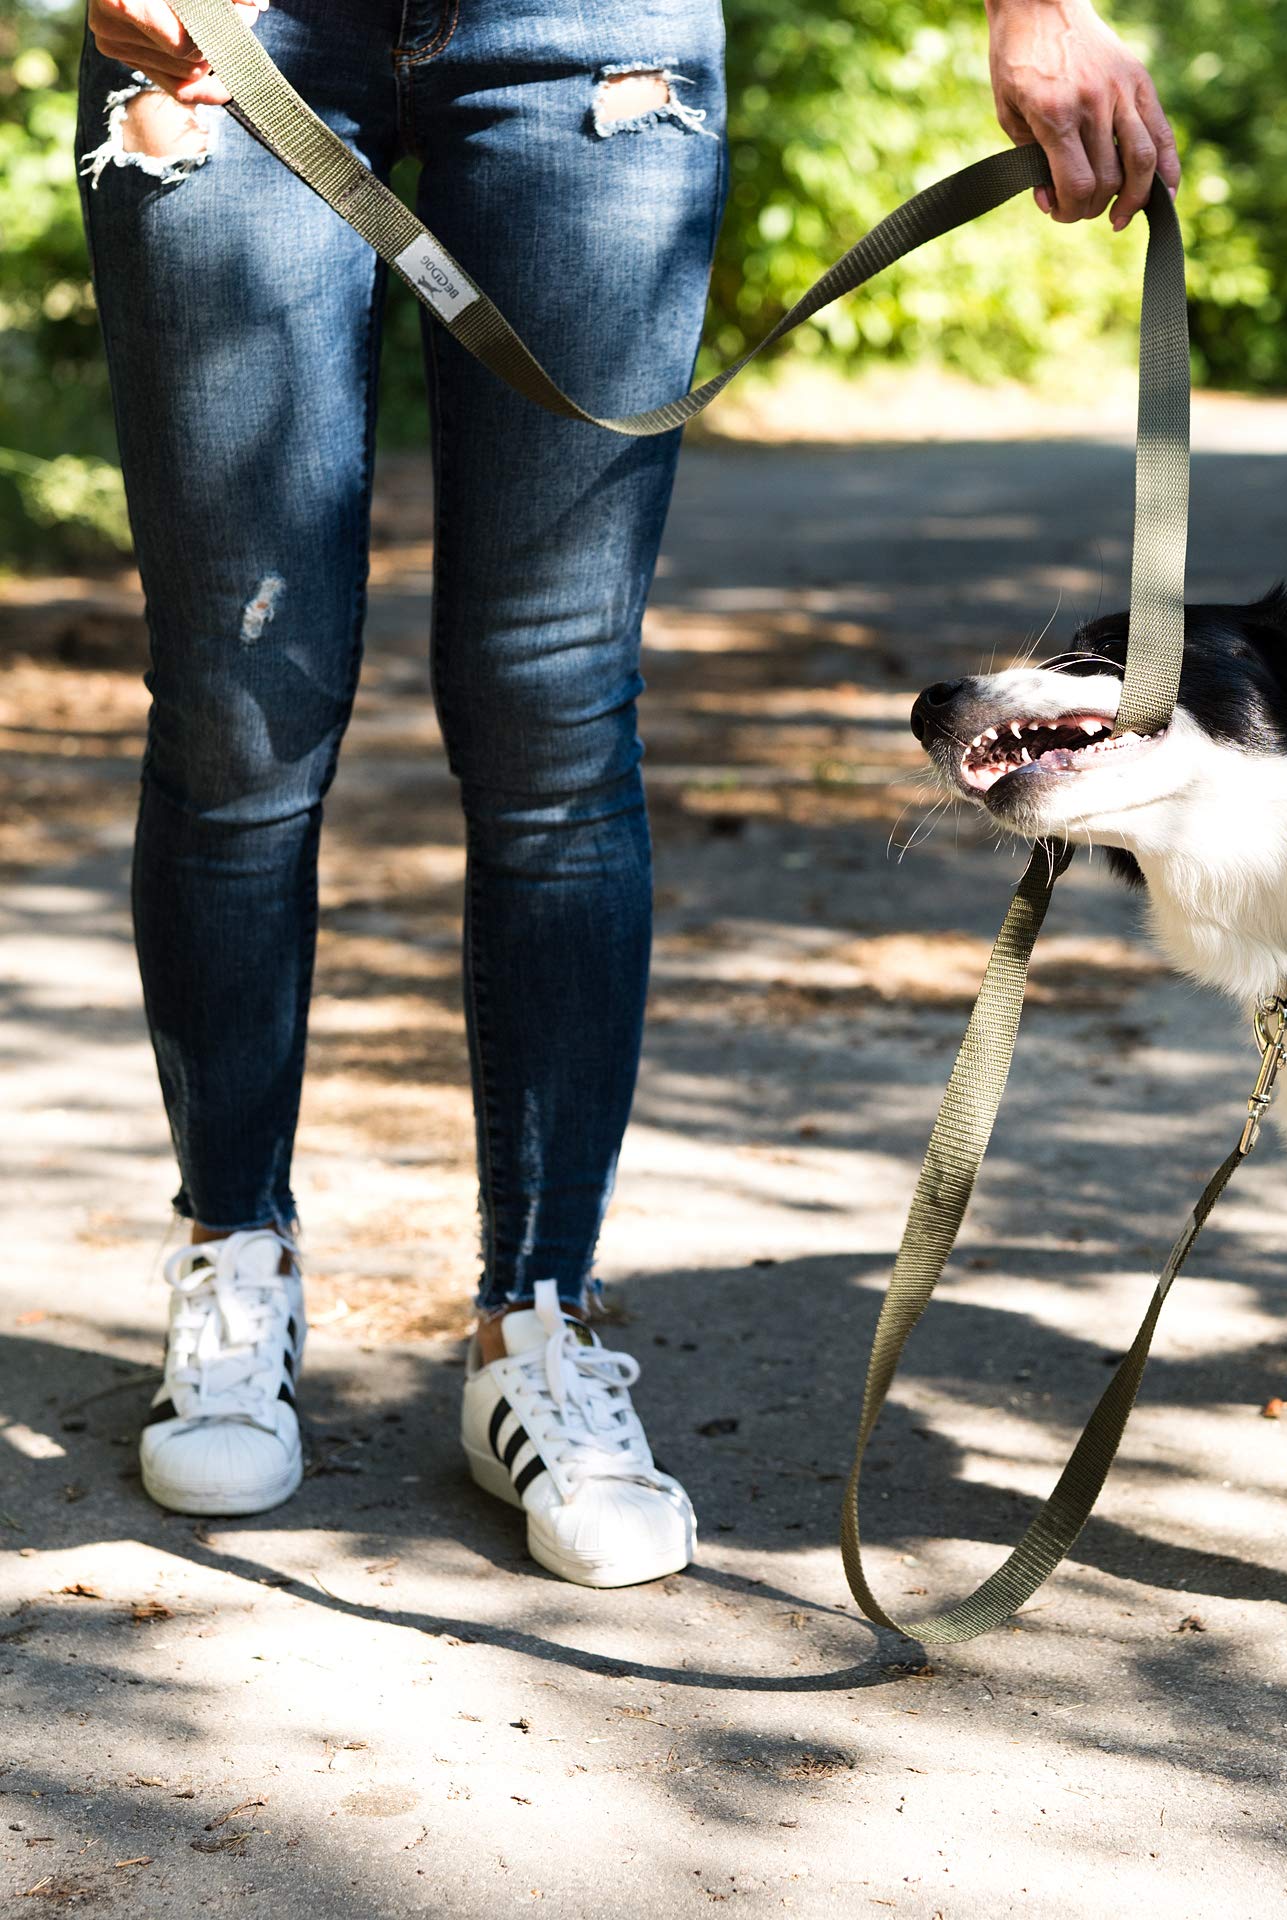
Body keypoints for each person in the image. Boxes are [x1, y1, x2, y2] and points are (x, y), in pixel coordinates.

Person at [76, 0, 1180, 1587]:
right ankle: (231, 1259)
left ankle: (539, 1321)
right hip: (221, 28)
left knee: (553, 721)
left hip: (593, 44)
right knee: (243, 703)